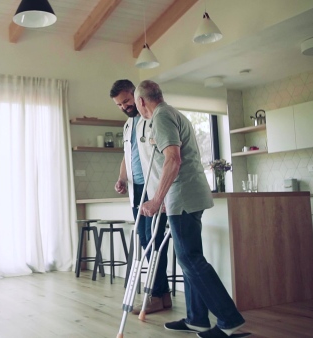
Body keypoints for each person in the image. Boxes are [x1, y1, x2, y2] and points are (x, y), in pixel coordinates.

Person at [135, 80, 246, 338]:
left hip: (183, 197)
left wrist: (156, 199)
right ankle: (197, 319)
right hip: (185, 196)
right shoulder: (172, 113)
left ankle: (229, 319)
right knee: (190, 259)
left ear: (141, 101)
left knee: (190, 259)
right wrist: (163, 198)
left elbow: (173, 160)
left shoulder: (161, 117)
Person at [109, 79, 170, 315]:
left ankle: (155, 294)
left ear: (136, 95)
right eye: (119, 104)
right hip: (136, 192)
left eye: (126, 101)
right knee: (146, 241)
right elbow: (127, 156)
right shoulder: (127, 126)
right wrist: (121, 179)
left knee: (151, 240)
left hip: (153, 190)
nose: (124, 106)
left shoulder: (152, 118)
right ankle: (162, 295)